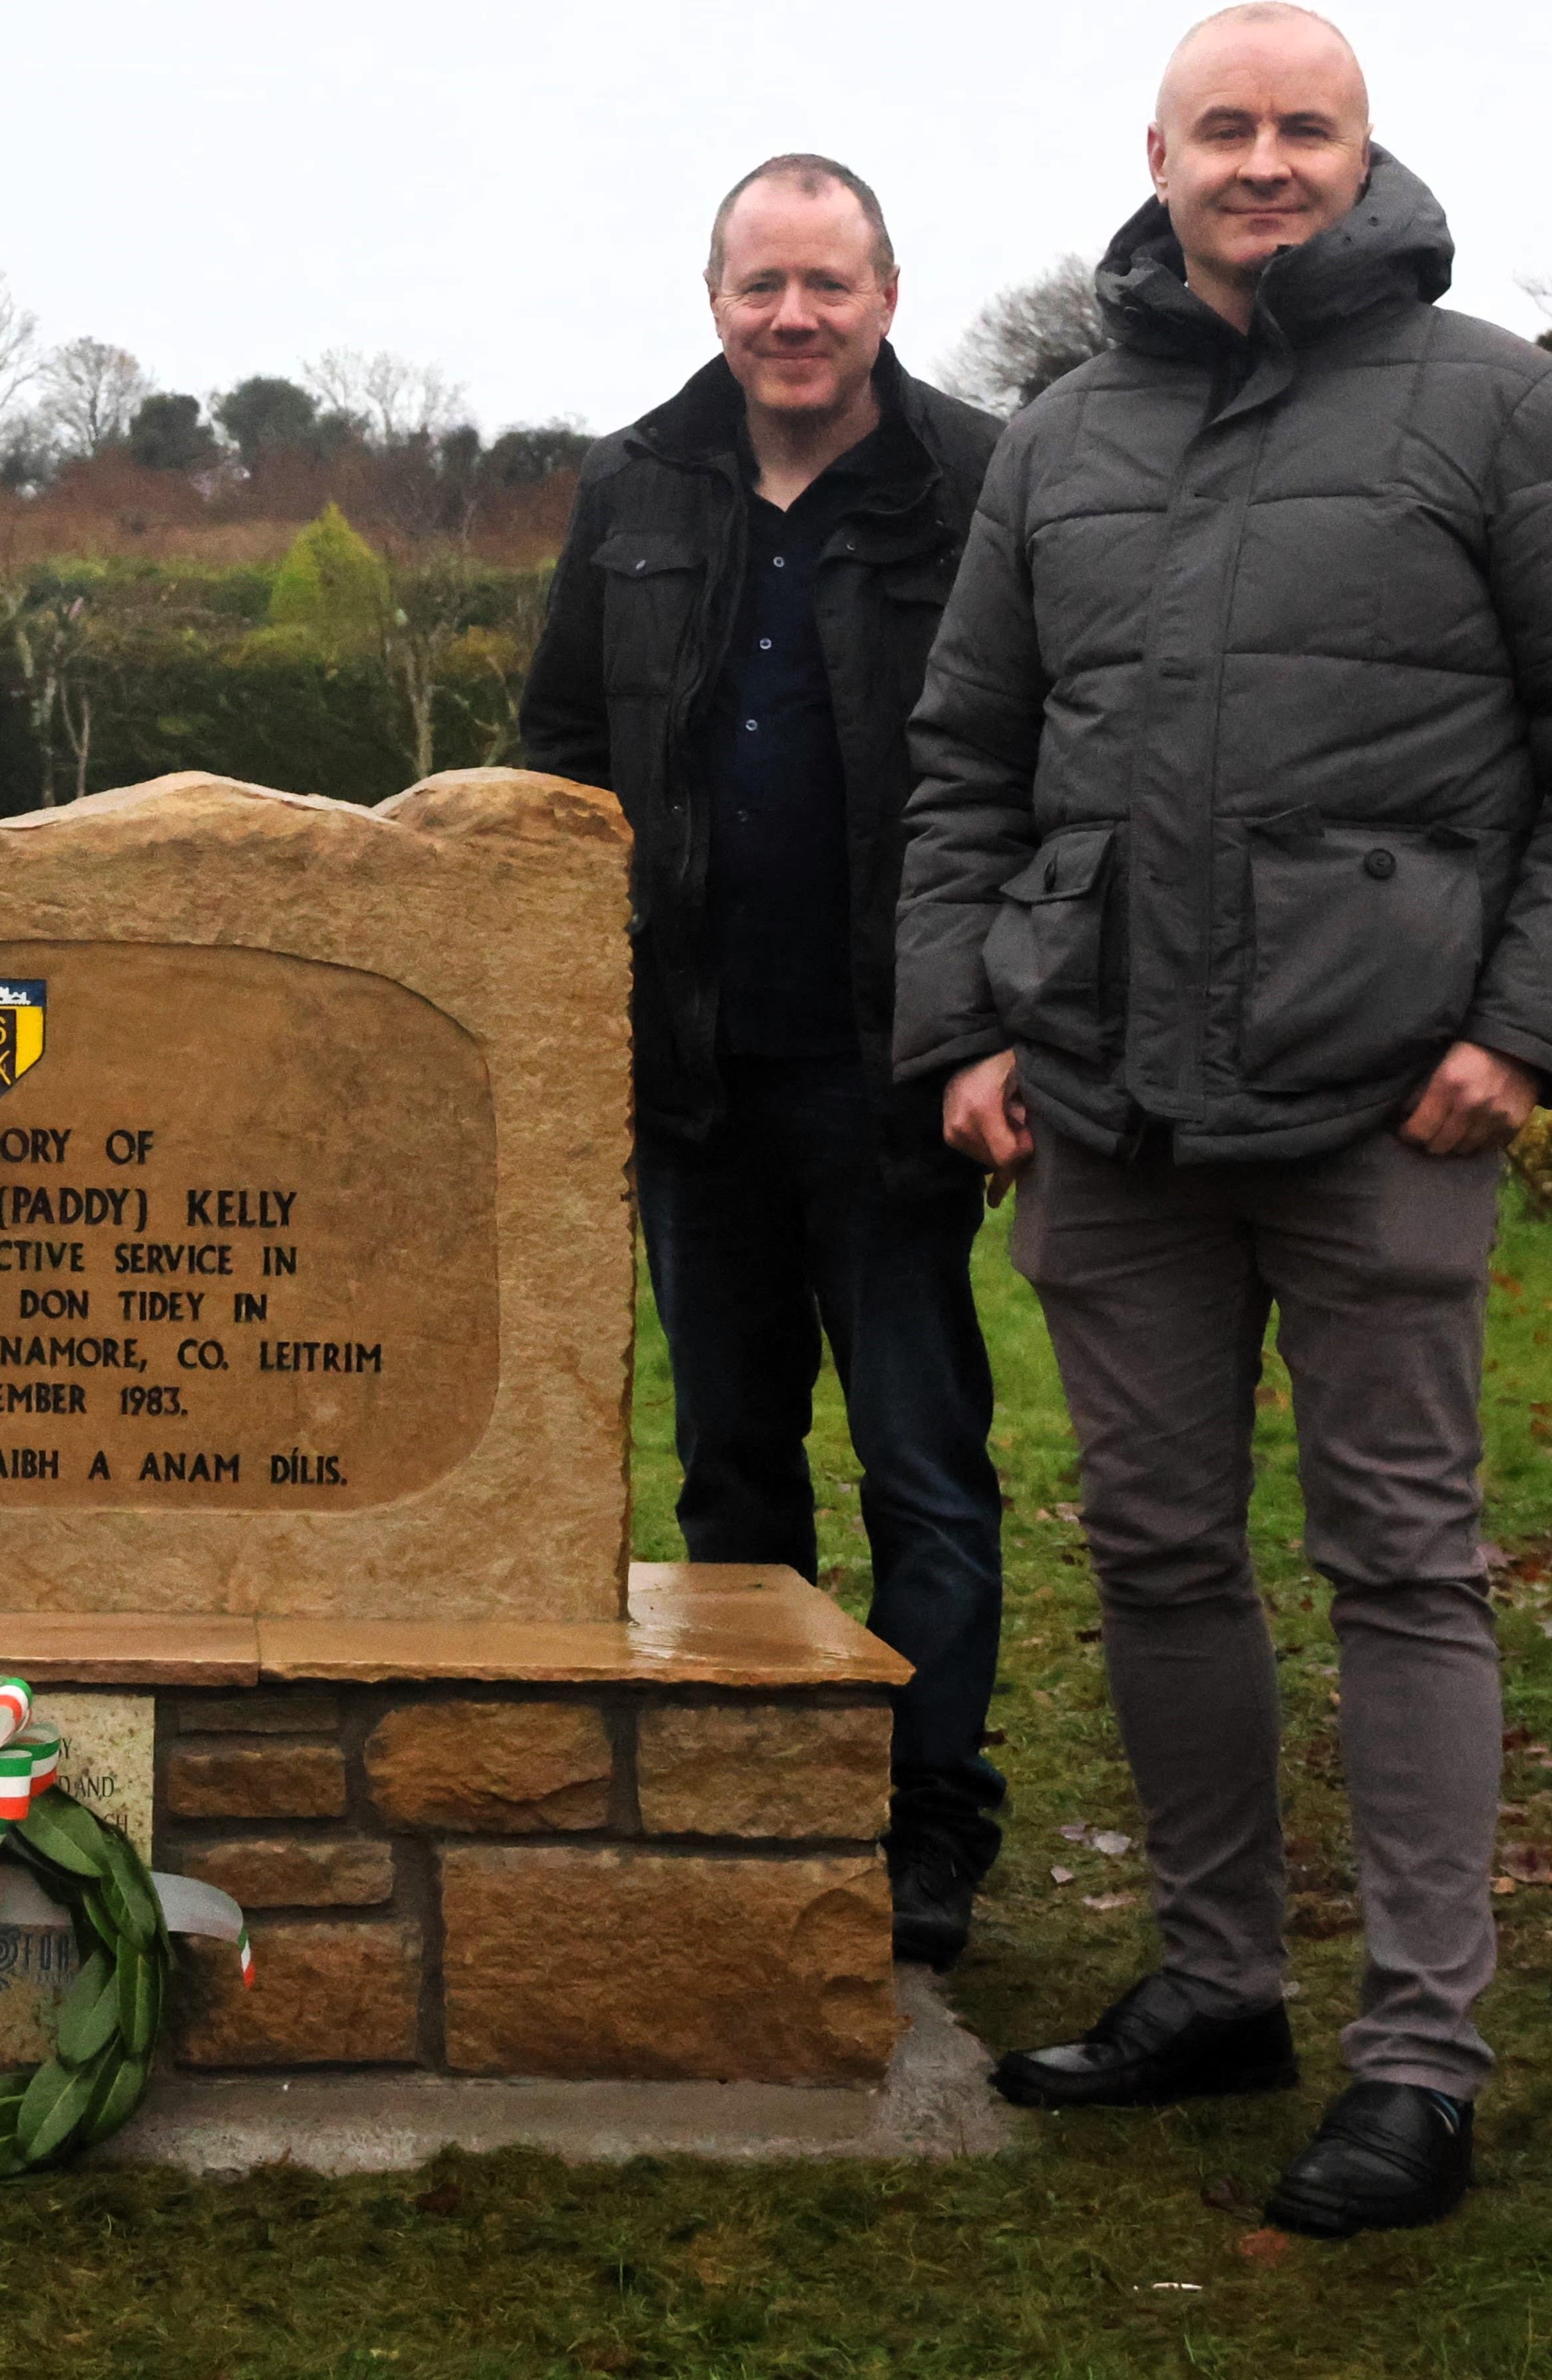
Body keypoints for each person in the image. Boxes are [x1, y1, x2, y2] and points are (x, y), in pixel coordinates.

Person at [898, 4, 1552, 2236]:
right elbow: (964, 764)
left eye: (1304, 129)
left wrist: (1529, 1033)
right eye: (1224, 128)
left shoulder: (1504, 411)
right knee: (1156, 1557)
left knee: (1401, 1570)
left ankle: (1418, 2064)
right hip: (1107, 1109)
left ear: (1365, 155)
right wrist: (965, 1035)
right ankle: (1216, 1982)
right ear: (1154, 155)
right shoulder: (1059, 437)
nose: (1264, 162)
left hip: (1388, 1112)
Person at [520, 156, 1012, 1968]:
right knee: (731, 1464)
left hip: (894, 1070)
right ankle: (750, 1793)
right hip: (691, 1077)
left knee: (920, 1465)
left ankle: (928, 1815)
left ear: (885, 290)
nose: (790, 319)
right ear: (710, 298)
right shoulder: (632, 483)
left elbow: (1027, 757)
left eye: (825, 284)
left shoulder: (977, 484)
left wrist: (994, 1015)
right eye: (759, 288)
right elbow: (560, 741)